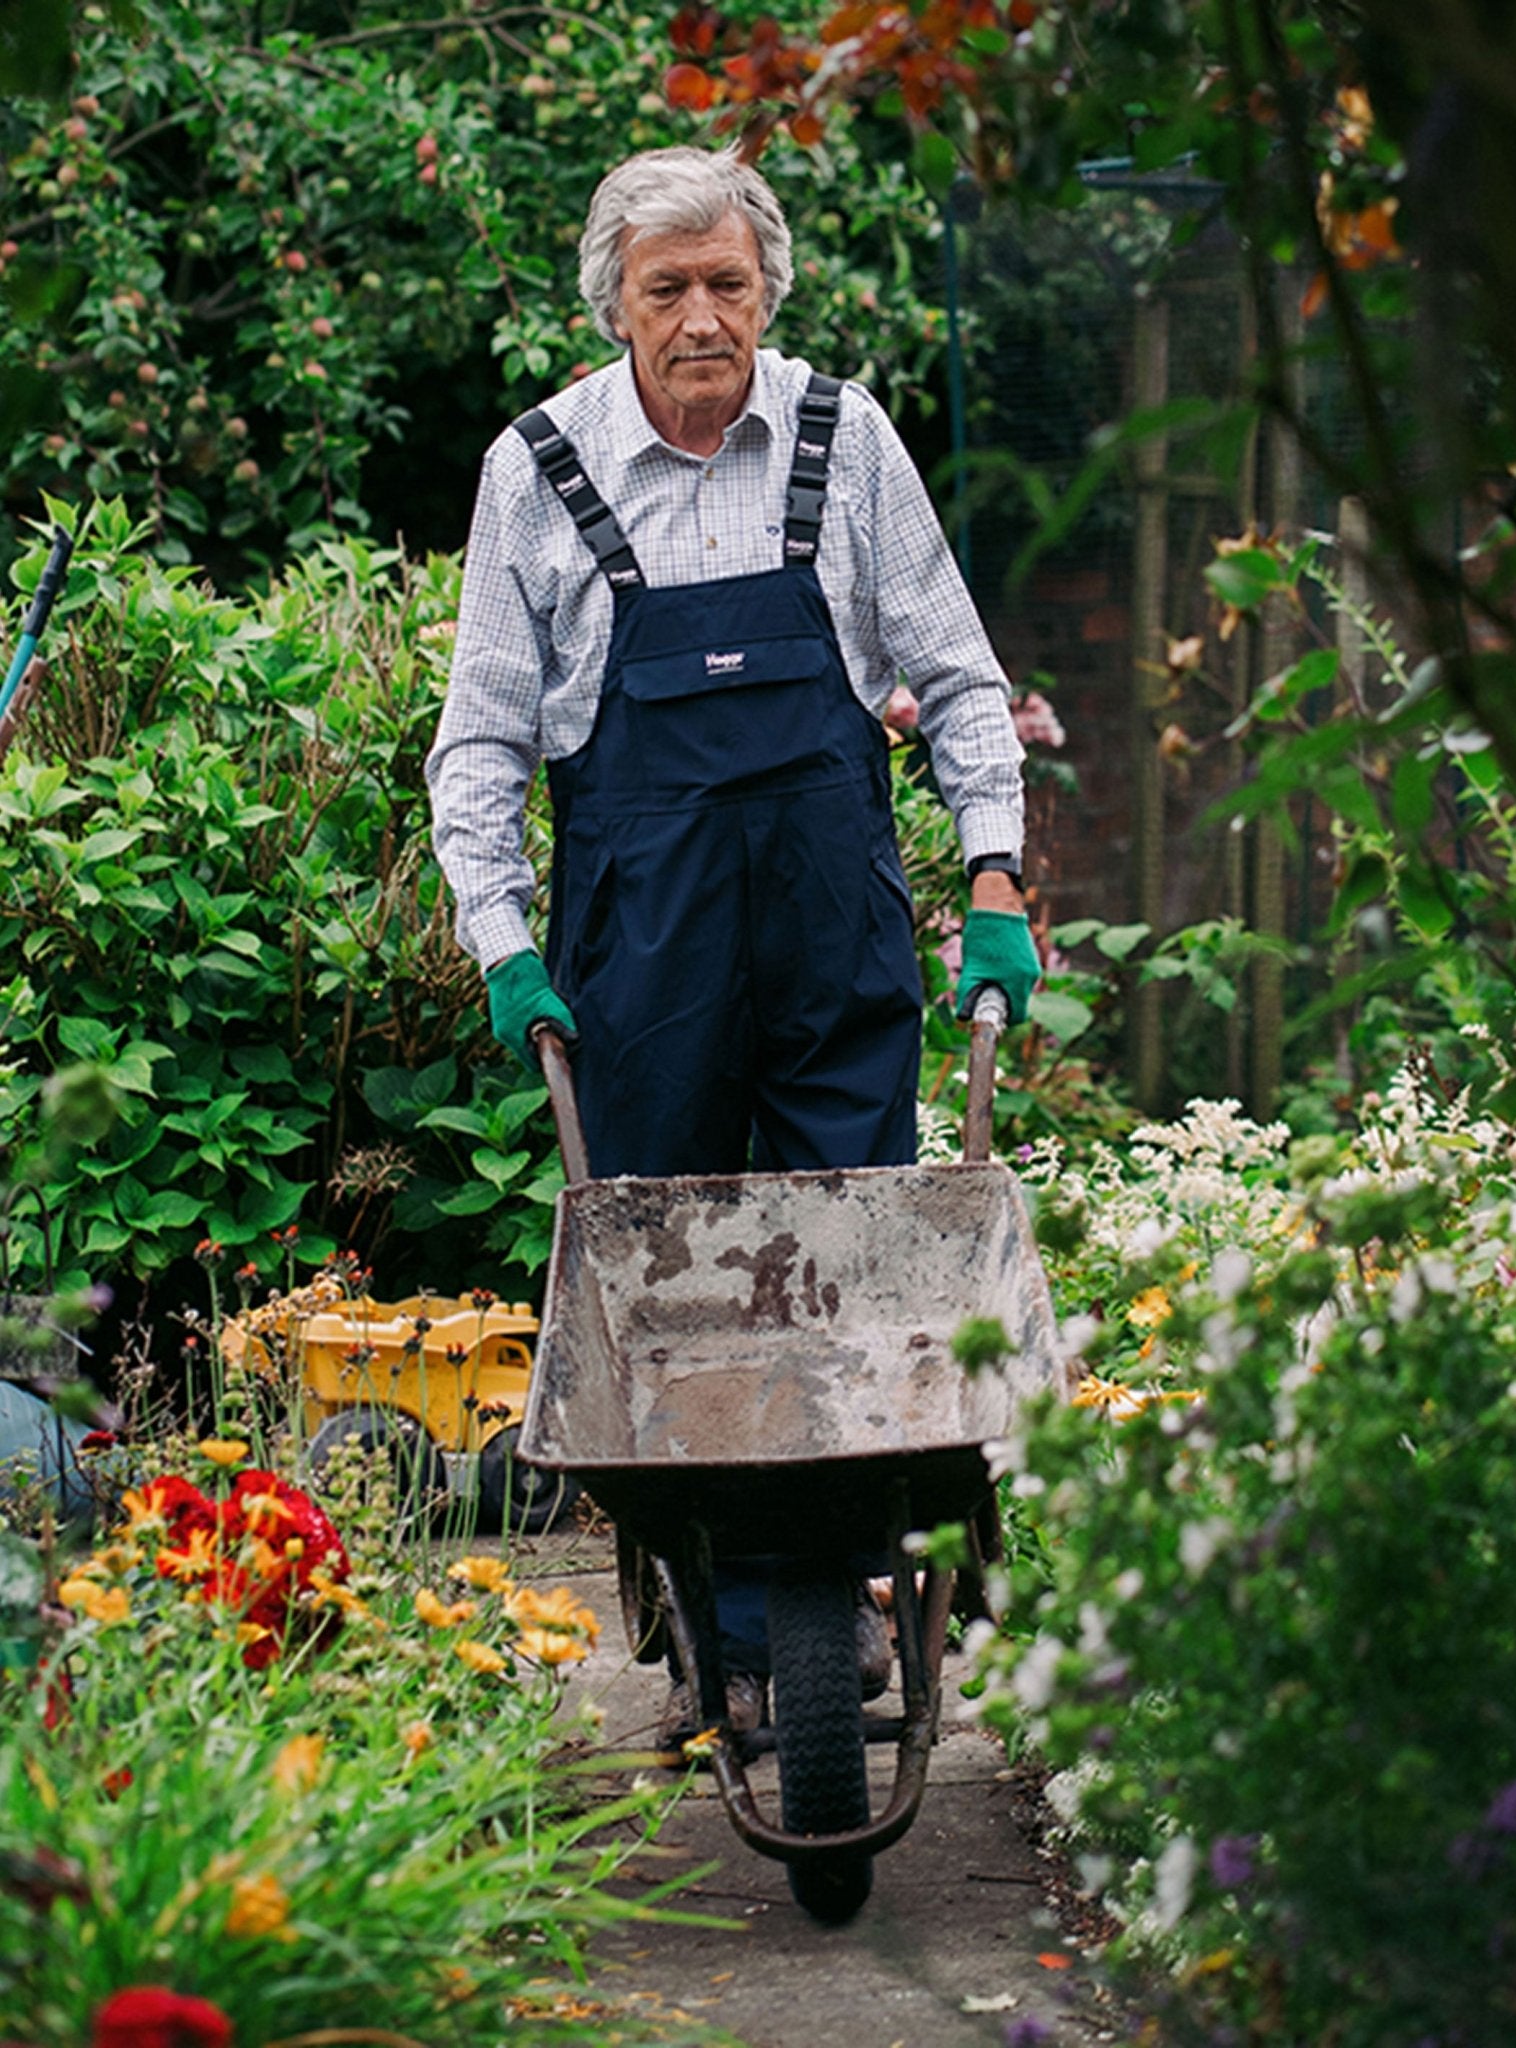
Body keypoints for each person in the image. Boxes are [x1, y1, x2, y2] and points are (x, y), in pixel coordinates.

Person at [427, 145, 1039, 1745]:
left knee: (850, 1273)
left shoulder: (844, 438)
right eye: (667, 288)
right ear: (615, 303)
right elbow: (480, 746)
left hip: (835, 944)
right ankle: (736, 1607)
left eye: (729, 285)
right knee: (680, 1283)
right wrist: (504, 945)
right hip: (643, 959)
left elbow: (961, 679)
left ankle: (836, 1591)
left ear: (768, 288)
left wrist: (993, 880)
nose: (703, 319)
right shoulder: (542, 467)